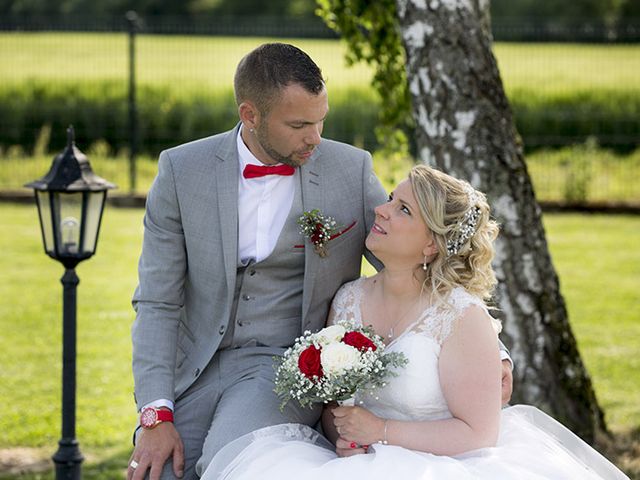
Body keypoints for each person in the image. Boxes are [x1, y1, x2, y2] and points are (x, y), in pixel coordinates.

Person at [128, 43, 513, 480]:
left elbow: (420, 249)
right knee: (158, 470)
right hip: (193, 365)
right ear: (250, 115)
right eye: (299, 125)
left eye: (320, 120)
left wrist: (491, 351)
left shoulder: (348, 170)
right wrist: (156, 414)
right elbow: (157, 301)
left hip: (282, 366)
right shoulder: (182, 171)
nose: (315, 137)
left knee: (228, 460)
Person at [200, 165, 629, 480]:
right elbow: (334, 407)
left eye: (402, 209)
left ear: (431, 244)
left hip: (446, 466)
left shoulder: (460, 317)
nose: (381, 211)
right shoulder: (349, 299)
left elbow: (479, 433)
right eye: (390, 198)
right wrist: (342, 433)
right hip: (351, 463)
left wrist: (381, 432)